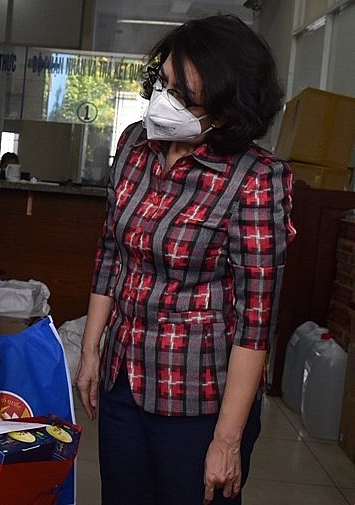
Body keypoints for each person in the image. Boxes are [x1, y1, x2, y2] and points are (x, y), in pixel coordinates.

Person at [75, 14, 296, 505]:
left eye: (184, 96)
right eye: (164, 83)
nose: (164, 101)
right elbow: (111, 251)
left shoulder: (256, 178)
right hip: (124, 379)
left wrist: (226, 440)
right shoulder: (135, 143)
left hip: (199, 399)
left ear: (226, 109)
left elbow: (256, 323)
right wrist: (91, 350)